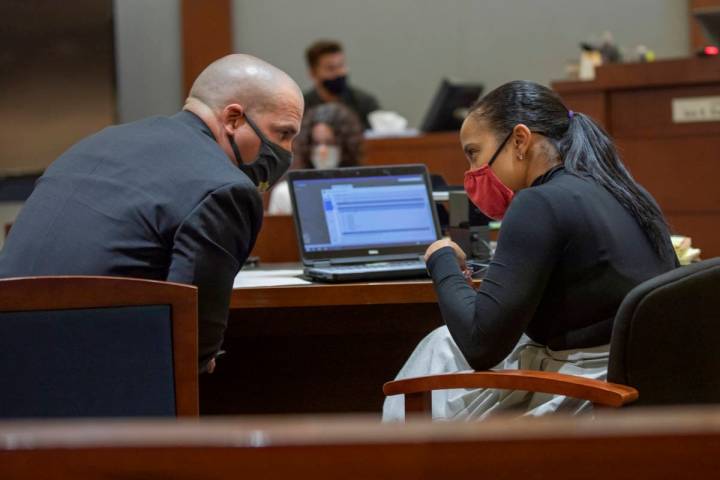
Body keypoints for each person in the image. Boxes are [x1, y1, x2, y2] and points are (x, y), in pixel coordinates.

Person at [383, 81, 678, 421]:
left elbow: (481, 346)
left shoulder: (537, 202)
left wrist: (441, 259)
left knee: (439, 351)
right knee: (442, 344)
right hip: (638, 389)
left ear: (520, 140)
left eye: (474, 153)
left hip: (582, 395)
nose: (471, 172)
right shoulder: (626, 191)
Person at [0, 54, 304, 374]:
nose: (287, 152)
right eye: (283, 134)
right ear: (233, 119)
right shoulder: (226, 189)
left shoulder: (100, 142)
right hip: (91, 381)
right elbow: (192, 346)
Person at [268, 102, 364, 215]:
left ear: (346, 147)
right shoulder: (286, 193)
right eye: (316, 143)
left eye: (330, 143)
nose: (322, 151)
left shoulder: (361, 189)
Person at [303, 40, 380, 130]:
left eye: (341, 65)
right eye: (331, 68)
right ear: (313, 73)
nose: (339, 73)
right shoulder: (301, 108)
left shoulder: (365, 104)